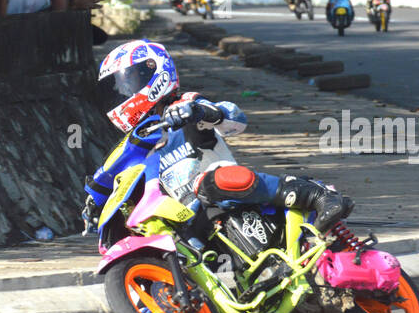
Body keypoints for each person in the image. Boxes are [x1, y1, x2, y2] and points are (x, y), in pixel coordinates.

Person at [81, 40, 352, 242]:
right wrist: (95, 201)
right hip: (189, 217)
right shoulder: (133, 145)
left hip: (228, 197)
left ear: (155, 72)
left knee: (210, 183)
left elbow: (236, 119)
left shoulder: (186, 106)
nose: (122, 94)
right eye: (115, 89)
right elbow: (107, 172)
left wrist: (205, 112)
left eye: (129, 82)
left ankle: (317, 194)